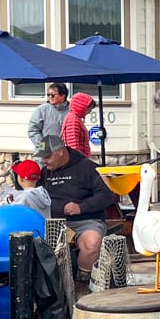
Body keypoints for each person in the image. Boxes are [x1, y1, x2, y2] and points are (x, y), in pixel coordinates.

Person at [40, 143, 116, 280]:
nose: (44, 161)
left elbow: (108, 195)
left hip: (85, 220)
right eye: (42, 157)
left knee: (92, 243)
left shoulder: (88, 167)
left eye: (47, 156)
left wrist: (81, 207)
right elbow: (36, 197)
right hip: (51, 221)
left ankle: (84, 281)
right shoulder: (44, 173)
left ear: (60, 152)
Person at [27, 83, 69, 163]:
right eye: (48, 95)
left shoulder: (71, 110)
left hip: (63, 156)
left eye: (53, 95)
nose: (50, 97)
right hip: (45, 157)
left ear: (63, 95)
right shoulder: (42, 110)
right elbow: (33, 131)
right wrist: (44, 147)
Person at [59, 92, 96, 158]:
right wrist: (79, 163)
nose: (90, 112)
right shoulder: (73, 120)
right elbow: (73, 145)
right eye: (89, 108)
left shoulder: (74, 118)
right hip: (77, 160)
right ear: (82, 107)